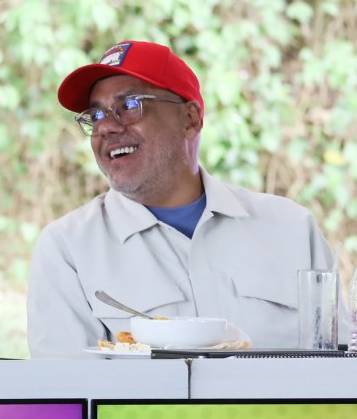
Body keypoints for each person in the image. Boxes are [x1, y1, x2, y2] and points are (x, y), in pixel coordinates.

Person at [27, 40, 349, 357]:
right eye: (95, 116)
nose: (106, 128)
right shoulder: (67, 250)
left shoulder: (290, 228)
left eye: (128, 107)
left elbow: (342, 369)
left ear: (190, 119)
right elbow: (67, 394)